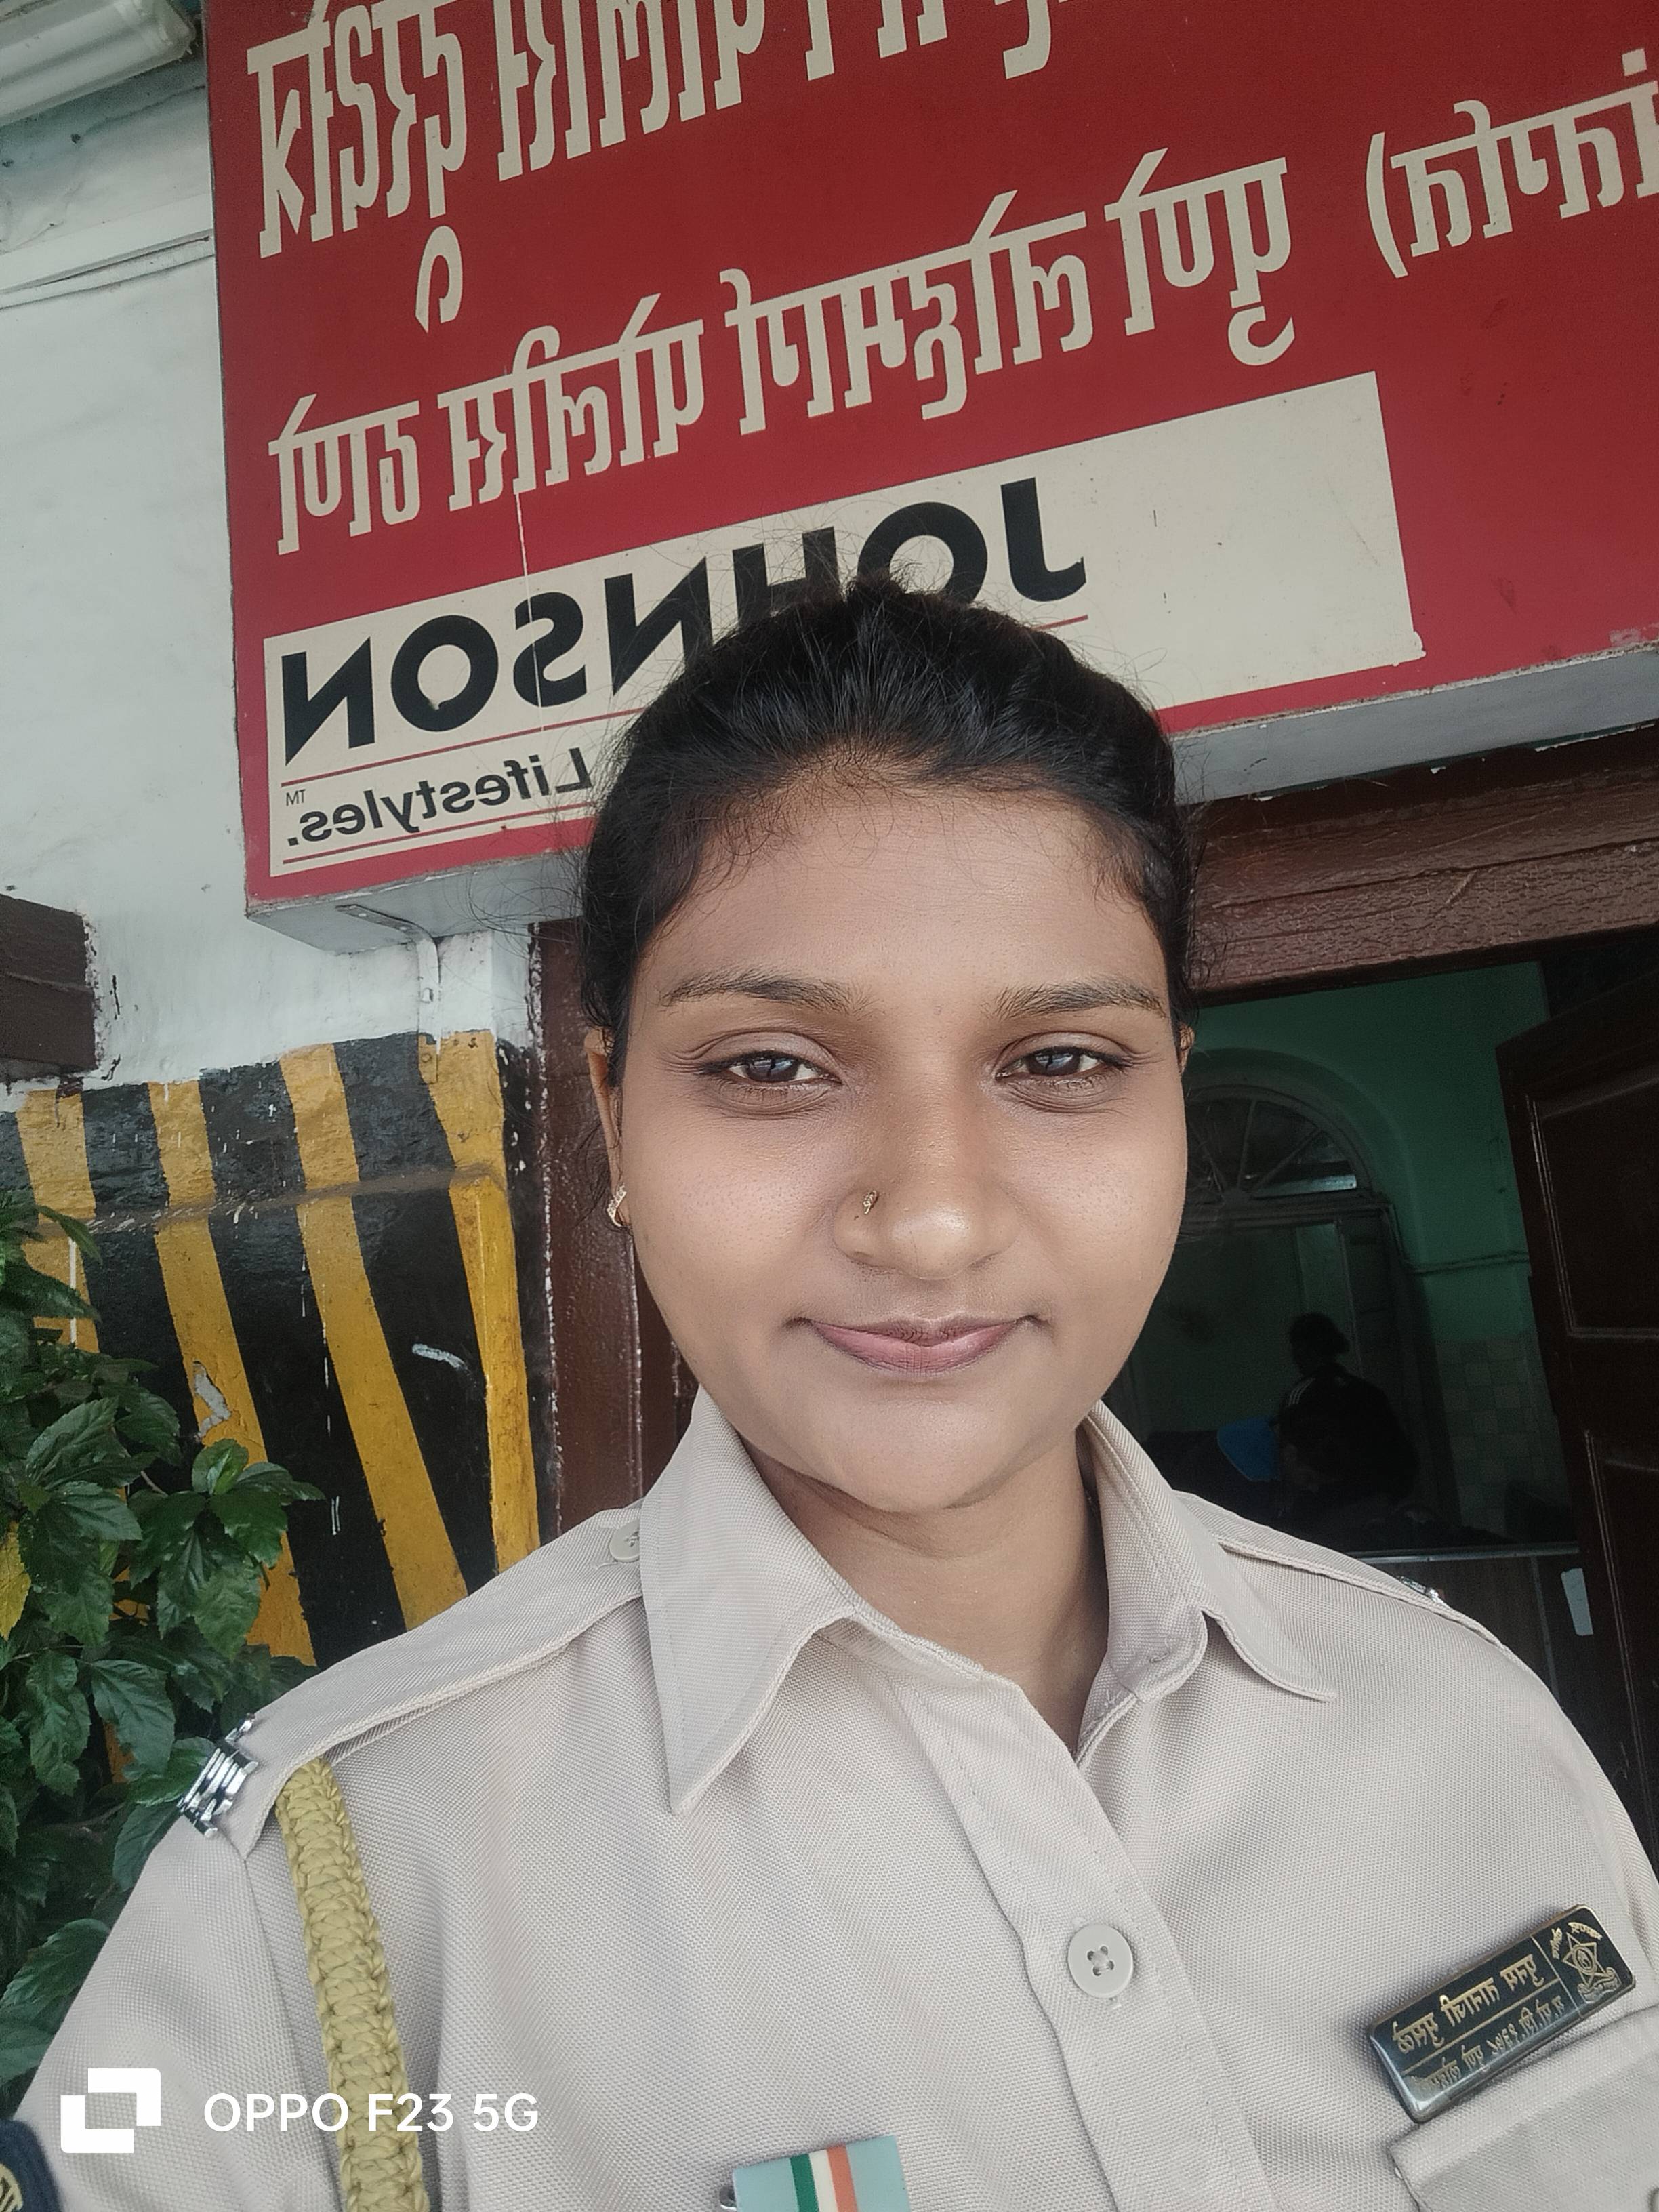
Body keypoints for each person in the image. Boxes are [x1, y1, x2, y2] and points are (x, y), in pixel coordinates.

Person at [14, 581, 1659, 2212]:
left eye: (1061, 1062)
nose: (930, 1219)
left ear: (1172, 1087)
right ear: (613, 1115)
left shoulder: (1461, 1723)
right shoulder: (345, 1892)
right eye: (771, 1067)